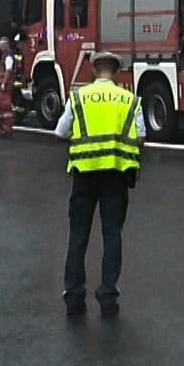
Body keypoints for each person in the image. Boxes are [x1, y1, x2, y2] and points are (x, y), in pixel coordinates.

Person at [55, 50, 143, 317]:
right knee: (112, 235)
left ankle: (73, 296)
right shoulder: (129, 100)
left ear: (94, 70)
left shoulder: (79, 97)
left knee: (78, 235)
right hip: (116, 177)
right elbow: (140, 136)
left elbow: (60, 132)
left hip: (84, 176)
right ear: (116, 73)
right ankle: (108, 296)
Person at [0, 36, 16, 137]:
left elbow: (8, 70)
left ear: (6, 45)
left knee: (5, 107)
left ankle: (6, 128)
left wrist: (4, 83)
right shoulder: (5, 55)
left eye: (2, 44)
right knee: (2, 107)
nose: (0, 46)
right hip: (3, 84)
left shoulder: (8, 56)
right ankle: (0, 126)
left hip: (6, 85)